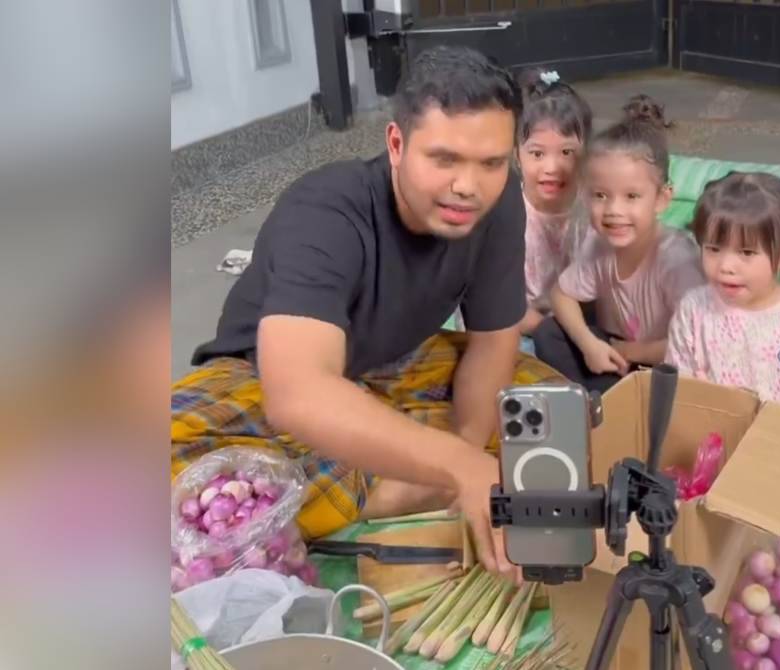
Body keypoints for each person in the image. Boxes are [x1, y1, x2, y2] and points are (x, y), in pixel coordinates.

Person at [171, 46, 563, 578]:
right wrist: (459, 465)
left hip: (397, 364)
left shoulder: (499, 204)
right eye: (444, 159)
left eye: (491, 163)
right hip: (261, 377)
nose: (468, 186)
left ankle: (368, 480)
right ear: (397, 144)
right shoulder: (327, 210)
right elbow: (296, 393)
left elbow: (496, 341)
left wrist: (465, 457)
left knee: (552, 411)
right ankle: (380, 488)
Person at [533, 95, 705, 393]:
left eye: (631, 196)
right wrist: (590, 346)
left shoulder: (676, 259)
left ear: (662, 199)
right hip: (614, 355)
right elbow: (561, 295)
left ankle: (609, 401)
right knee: (549, 333)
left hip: (665, 362)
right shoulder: (599, 243)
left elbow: (695, 341)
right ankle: (600, 398)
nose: (614, 210)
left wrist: (629, 352)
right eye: (600, 195)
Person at [665, 171, 780, 423]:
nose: (726, 266)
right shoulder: (693, 310)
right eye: (713, 248)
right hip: (709, 441)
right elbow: (680, 388)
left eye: (746, 252)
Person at [515, 69, 592, 340]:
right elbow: (495, 306)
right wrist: (562, 335)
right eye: (537, 154)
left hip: (581, 321)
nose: (552, 168)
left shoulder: (596, 207)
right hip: (519, 326)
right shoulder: (507, 215)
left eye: (567, 153)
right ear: (517, 155)